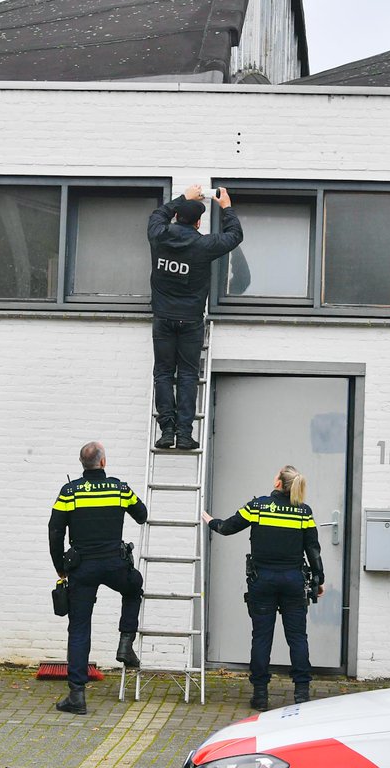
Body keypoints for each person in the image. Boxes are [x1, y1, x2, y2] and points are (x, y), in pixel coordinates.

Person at [201, 465, 324, 711]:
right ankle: (301, 693)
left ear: (278, 483)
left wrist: (210, 520)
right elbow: (313, 548)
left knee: (261, 638)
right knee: (298, 638)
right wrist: (318, 580)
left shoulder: (258, 507)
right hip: (293, 581)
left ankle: (260, 695)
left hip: (262, 581)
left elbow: (227, 528)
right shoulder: (303, 512)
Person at [48, 441, 148, 715]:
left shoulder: (69, 492)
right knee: (134, 586)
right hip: (115, 564)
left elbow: (55, 531)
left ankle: (77, 696)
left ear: (83, 464)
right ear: (103, 463)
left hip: (82, 569)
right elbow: (142, 515)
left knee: (79, 629)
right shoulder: (119, 488)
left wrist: (60, 567)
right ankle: (126, 643)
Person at [148, 185, 243, 450]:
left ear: (176, 216)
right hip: (190, 320)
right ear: (199, 222)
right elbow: (235, 235)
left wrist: (183, 198)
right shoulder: (204, 245)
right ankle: (184, 434)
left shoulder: (159, 236)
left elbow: (156, 215)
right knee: (188, 375)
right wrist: (226, 207)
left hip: (163, 317)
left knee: (164, 374)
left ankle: (167, 431)